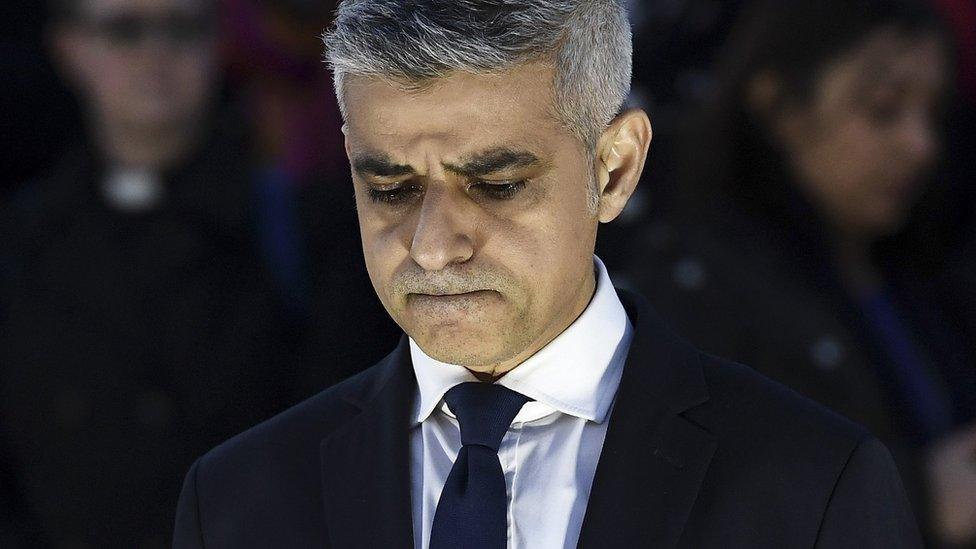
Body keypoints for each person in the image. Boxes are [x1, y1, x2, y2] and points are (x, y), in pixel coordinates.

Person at [173, 1, 922, 547]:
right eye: (391, 188)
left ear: (616, 167)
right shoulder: (239, 498)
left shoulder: (812, 486)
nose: (433, 247)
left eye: (497, 185)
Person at [630, 0, 976, 546]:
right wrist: (923, 497)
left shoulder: (923, 271)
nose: (921, 146)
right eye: (884, 109)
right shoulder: (701, 297)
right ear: (779, 107)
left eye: (934, 115)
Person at [0, 0, 297, 545]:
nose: (154, 55)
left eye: (182, 29)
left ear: (218, 43)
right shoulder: (21, 242)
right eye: (123, 31)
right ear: (69, 48)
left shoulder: (301, 229)